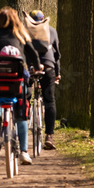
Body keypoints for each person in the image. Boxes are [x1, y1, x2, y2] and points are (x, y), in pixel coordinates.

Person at [0, 7, 42, 165]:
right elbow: (33, 54)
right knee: (22, 113)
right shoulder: (21, 36)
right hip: (16, 84)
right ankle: (24, 152)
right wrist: (38, 67)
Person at [25, 9, 61, 150]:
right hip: (47, 66)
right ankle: (49, 136)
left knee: (24, 94)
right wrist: (57, 73)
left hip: (29, 67)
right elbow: (57, 55)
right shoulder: (51, 30)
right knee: (49, 100)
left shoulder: (24, 30)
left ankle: (22, 120)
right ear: (43, 19)